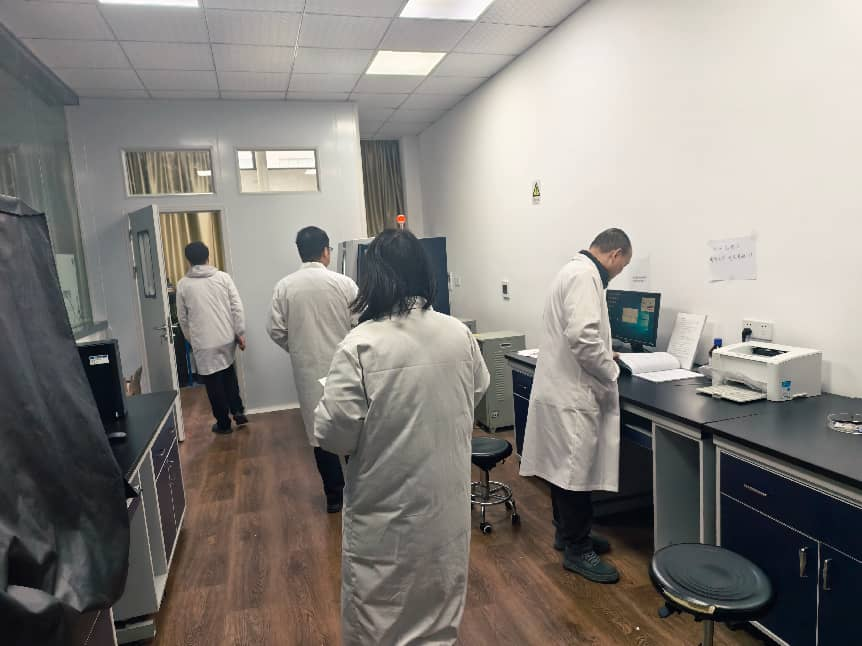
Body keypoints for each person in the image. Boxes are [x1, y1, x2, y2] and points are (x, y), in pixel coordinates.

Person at [314, 229, 490, 646]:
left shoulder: (361, 345)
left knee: (381, 612)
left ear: (371, 277)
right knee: (440, 601)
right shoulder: (457, 333)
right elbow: (477, 388)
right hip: (444, 504)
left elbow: (334, 434)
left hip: (387, 511)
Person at [519, 228, 632, 584]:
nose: (618, 273)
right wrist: (610, 368)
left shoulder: (572, 270)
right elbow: (583, 337)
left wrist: (605, 351)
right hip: (572, 393)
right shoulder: (585, 276)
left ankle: (565, 533)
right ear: (614, 254)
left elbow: (582, 334)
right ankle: (577, 549)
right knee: (574, 475)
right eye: (622, 266)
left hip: (561, 389)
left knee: (564, 470)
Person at [267, 226, 358, 513]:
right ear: (326, 251)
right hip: (346, 365)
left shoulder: (285, 287)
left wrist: (297, 348)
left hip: (307, 369)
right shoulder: (344, 284)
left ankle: (334, 497)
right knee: (353, 425)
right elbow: (361, 323)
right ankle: (360, 492)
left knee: (319, 433)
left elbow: (275, 329)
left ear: (300, 252)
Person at [176, 241, 248, 435]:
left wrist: (192, 339)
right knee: (228, 374)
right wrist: (239, 333)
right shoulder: (223, 277)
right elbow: (236, 307)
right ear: (208, 256)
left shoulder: (183, 285)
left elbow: (182, 318)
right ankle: (238, 411)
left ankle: (224, 423)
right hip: (226, 337)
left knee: (213, 384)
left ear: (188, 260)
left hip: (203, 342)